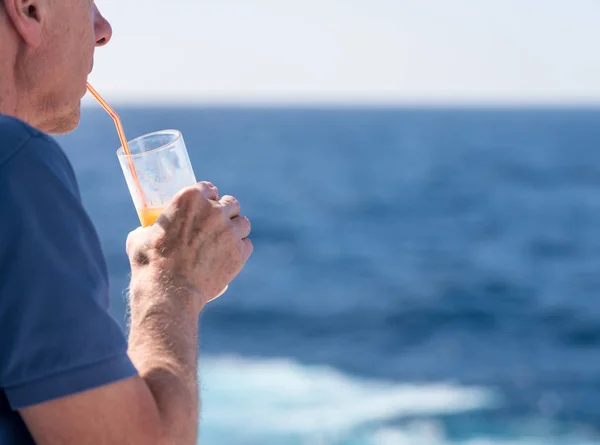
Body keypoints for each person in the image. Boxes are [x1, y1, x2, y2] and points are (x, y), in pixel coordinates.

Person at [0, 0, 253, 444]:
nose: (103, 29)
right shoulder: (15, 165)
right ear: (29, 9)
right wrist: (172, 282)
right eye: (86, 5)